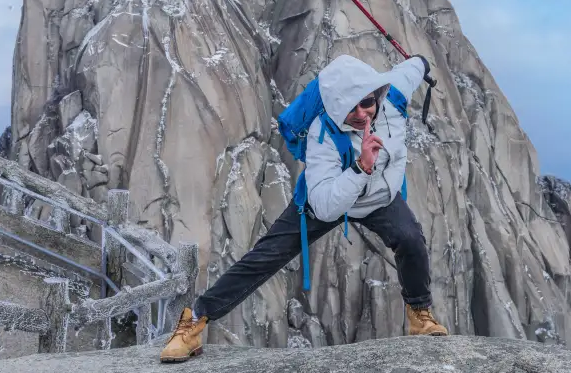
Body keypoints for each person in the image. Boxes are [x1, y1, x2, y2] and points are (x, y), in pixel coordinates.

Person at [161, 54, 448, 363]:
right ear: (337, 105)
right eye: (351, 107)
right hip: (327, 197)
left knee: (411, 238)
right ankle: (193, 323)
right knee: (266, 256)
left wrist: (421, 62)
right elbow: (326, 208)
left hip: (378, 197)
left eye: (367, 102)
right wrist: (362, 167)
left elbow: (409, 70)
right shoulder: (322, 134)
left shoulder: (393, 100)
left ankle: (420, 316)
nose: (362, 113)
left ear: (377, 94)